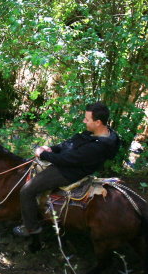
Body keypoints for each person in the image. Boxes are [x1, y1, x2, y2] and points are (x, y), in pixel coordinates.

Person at [13, 102, 120, 237]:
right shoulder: (107, 133)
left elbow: (66, 160)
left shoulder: (97, 147)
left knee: (26, 191)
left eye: (87, 119)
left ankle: (31, 227)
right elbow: (71, 143)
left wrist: (43, 154)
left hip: (68, 171)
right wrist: (52, 148)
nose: (84, 121)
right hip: (71, 162)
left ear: (98, 122)